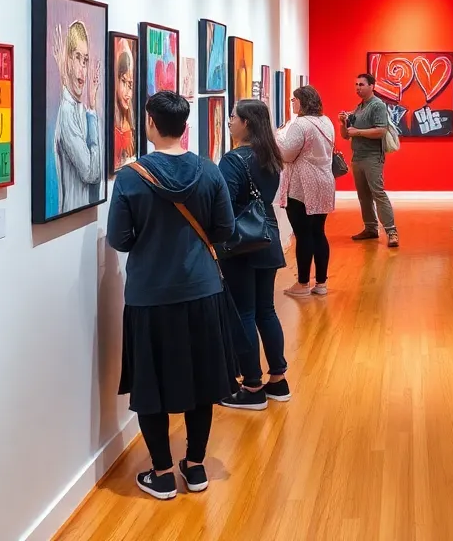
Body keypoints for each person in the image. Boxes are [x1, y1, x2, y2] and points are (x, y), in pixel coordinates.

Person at [107, 91, 238, 501]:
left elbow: (119, 239)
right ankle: (195, 467)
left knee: (151, 384)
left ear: (150, 122)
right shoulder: (208, 171)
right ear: (185, 126)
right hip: (203, 291)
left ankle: (162, 473)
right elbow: (225, 229)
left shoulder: (131, 177)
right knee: (202, 379)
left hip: (149, 296)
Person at [220, 99, 290, 410]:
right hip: (267, 236)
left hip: (242, 243)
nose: (229, 121)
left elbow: (224, 205)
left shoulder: (233, 160)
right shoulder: (270, 156)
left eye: (233, 116)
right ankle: (278, 380)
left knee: (244, 313)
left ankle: (252, 387)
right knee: (266, 310)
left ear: (246, 122)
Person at [277, 85, 336, 297]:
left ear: (302, 101)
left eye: (294, 99)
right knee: (318, 232)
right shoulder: (326, 121)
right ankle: (321, 283)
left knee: (303, 235)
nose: (292, 102)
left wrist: (278, 137)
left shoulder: (300, 125)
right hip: (324, 181)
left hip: (301, 185)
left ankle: (302, 284)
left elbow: (287, 155)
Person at [339, 73, 398, 248]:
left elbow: (381, 131)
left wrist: (358, 132)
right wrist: (343, 123)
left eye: (362, 84)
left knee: (378, 193)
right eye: (356, 84)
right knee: (363, 195)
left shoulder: (377, 105)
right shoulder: (359, 108)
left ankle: (392, 231)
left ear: (372, 86)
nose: (358, 87)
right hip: (357, 156)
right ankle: (371, 228)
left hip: (372, 156)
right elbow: (345, 135)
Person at [52, 20, 103, 211]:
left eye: (86, 60)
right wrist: (92, 113)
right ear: (68, 60)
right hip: (71, 214)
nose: (82, 69)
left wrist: (91, 108)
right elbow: (91, 173)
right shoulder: (67, 111)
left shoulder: (81, 110)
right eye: (77, 57)